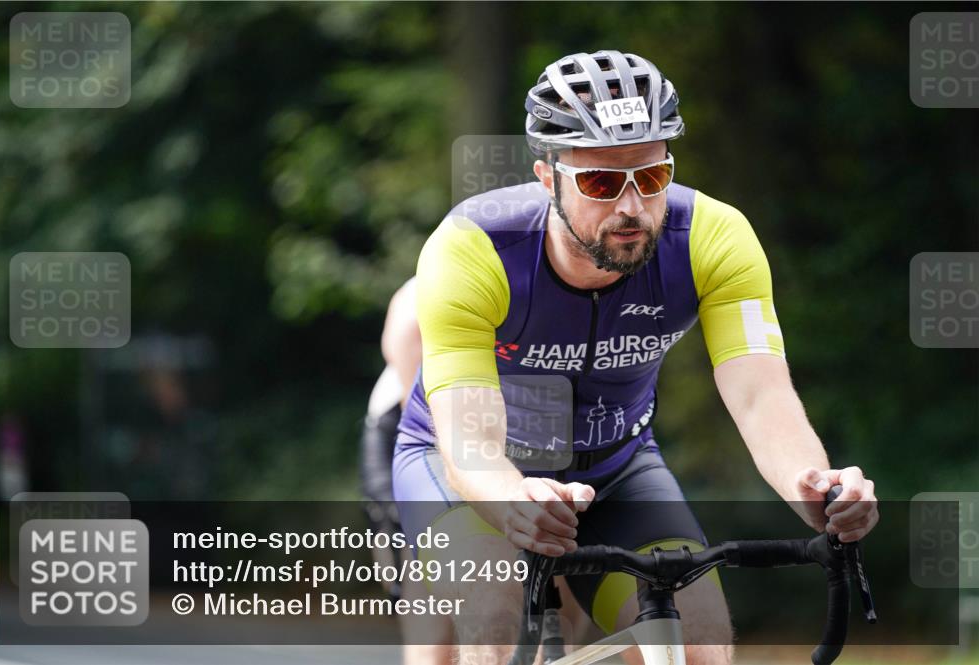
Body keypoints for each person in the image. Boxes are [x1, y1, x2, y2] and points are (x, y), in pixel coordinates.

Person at [393, 50, 880, 665]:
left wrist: (814, 484)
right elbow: (469, 444)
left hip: (617, 468)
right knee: (496, 614)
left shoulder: (713, 237)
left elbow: (761, 396)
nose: (630, 207)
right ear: (549, 178)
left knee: (699, 638)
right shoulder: (474, 248)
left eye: (650, 179)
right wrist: (512, 502)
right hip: (462, 471)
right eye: (600, 183)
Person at [360, 278, 454, 665]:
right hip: (409, 429)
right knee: (432, 566)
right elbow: (425, 412)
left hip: (487, 431)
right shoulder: (418, 296)